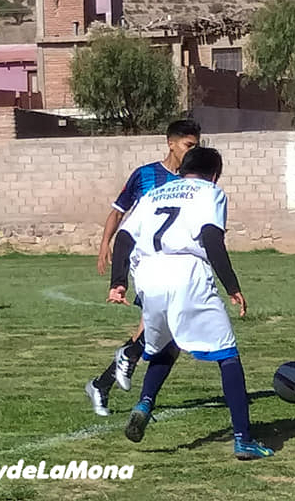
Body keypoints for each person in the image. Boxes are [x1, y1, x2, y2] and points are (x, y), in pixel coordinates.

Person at [105, 147, 274, 461]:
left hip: (149, 275)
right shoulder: (211, 192)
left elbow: (124, 239)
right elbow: (211, 238)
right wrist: (232, 286)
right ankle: (243, 440)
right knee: (228, 354)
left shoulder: (155, 193)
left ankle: (144, 403)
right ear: (214, 174)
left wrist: (118, 282)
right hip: (187, 272)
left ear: (182, 170)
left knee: (166, 344)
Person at [88, 119, 201, 413]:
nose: (192, 151)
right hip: (146, 261)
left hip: (174, 263)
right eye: (189, 145)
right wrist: (105, 243)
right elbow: (118, 211)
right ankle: (132, 385)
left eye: (196, 146)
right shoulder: (145, 175)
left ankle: (105, 383)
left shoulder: (193, 180)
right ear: (170, 143)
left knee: (166, 335)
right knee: (162, 328)